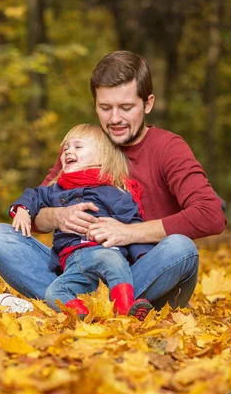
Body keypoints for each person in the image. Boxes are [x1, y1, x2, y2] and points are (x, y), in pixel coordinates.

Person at [0, 50, 226, 313]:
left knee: (181, 248)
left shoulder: (168, 148)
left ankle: (67, 304)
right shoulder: (82, 148)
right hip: (80, 269)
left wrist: (127, 232)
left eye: (126, 107)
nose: (115, 119)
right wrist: (58, 216)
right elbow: (36, 215)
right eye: (105, 108)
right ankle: (77, 303)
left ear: (148, 104)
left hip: (146, 274)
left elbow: (210, 215)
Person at [10, 123, 154, 319]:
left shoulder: (114, 192)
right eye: (66, 148)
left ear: (103, 157)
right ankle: (85, 317)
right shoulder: (57, 189)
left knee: (112, 260)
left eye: (78, 146)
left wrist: (143, 257)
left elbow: (133, 225)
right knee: (54, 293)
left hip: (107, 254)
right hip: (72, 263)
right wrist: (23, 210)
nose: (68, 151)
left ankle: (125, 308)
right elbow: (34, 195)